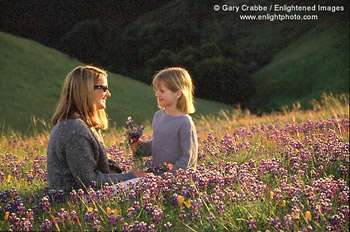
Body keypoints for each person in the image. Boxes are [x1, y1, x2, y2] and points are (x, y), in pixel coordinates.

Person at [47, 65, 146, 192]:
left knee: (145, 180)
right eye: (103, 88)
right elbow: (88, 181)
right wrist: (132, 176)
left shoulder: (82, 125)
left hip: (86, 195)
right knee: (143, 183)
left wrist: (118, 173)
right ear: (85, 90)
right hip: (76, 201)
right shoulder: (75, 130)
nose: (108, 94)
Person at [133, 67, 198, 173]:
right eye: (157, 90)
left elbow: (188, 157)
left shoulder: (185, 123)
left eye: (162, 91)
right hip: (157, 175)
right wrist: (141, 148)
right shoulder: (158, 116)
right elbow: (160, 145)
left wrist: (168, 177)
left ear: (178, 93)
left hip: (178, 181)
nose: (157, 94)